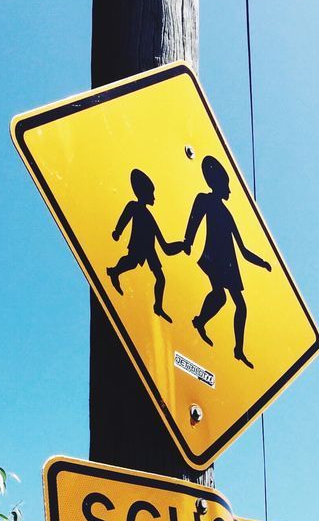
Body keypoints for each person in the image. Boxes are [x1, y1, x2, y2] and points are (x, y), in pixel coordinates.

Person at [183, 154, 271, 368]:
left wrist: (263, 263)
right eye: (227, 185)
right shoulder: (204, 199)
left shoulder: (227, 213)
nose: (230, 190)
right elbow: (194, 219)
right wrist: (188, 241)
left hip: (229, 264)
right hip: (214, 258)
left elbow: (243, 249)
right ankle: (200, 321)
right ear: (217, 183)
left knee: (240, 305)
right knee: (220, 297)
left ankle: (238, 349)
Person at [107, 168, 182, 321]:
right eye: (151, 193)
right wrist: (117, 231)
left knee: (160, 278)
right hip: (137, 245)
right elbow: (125, 217)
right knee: (131, 262)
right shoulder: (134, 206)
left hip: (150, 250)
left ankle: (158, 306)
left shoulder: (150, 217)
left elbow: (165, 246)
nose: (154, 197)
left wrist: (182, 245)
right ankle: (114, 271)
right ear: (143, 193)